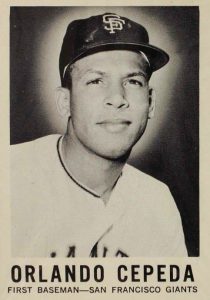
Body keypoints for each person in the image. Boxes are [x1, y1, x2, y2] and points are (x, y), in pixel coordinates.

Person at [11, 12, 187, 257]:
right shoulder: (10, 177)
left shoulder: (158, 201)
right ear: (65, 101)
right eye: (95, 81)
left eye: (133, 81)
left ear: (151, 102)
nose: (117, 98)